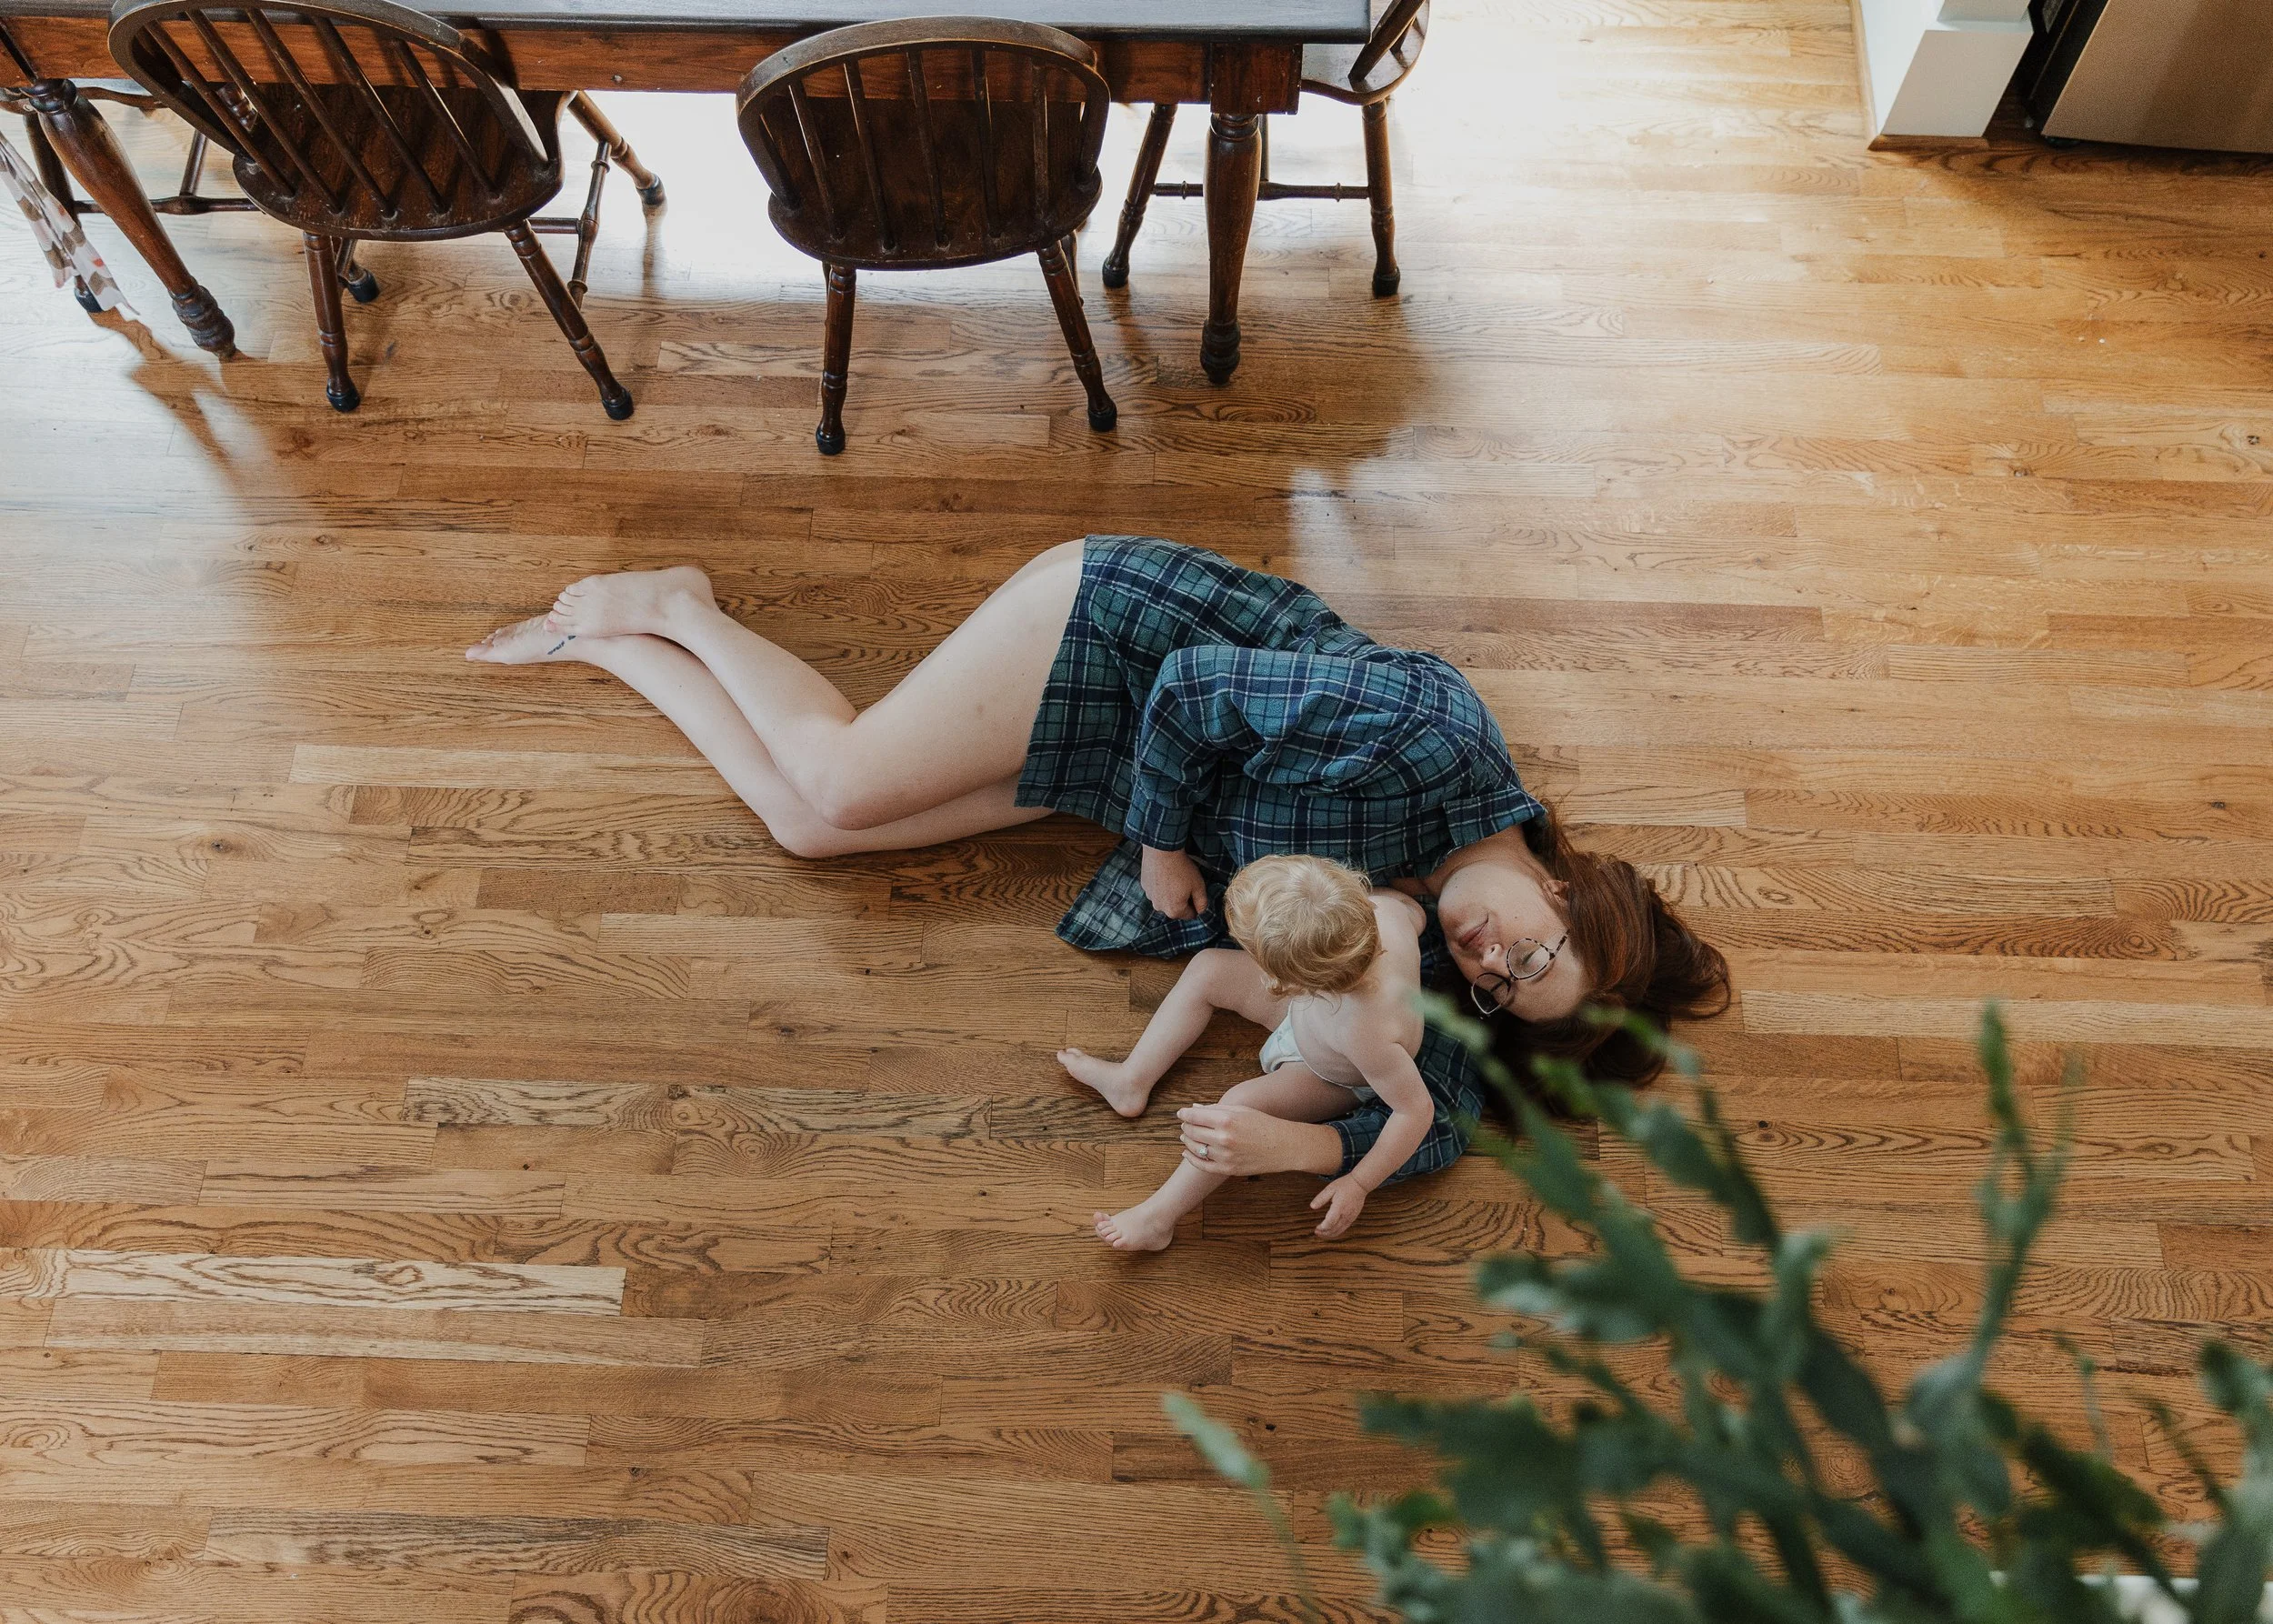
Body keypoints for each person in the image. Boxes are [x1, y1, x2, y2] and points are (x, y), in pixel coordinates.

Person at [467, 536, 1729, 1193]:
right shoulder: (1432, 736)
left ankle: (613, 649)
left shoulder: (1440, 924)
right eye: (1537, 950)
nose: (1492, 964)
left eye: (1508, 994)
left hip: (1129, 770)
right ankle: (682, 605)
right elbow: (1191, 686)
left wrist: (1309, 1154)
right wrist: (1171, 846)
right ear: (1570, 887)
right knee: (843, 779)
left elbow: (1438, 1113)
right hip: (1120, 636)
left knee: (812, 830)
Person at [1068, 856, 1435, 1251]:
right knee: (1208, 966)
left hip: (1327, 1072)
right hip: (1311, 1011)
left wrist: (1360, 1181)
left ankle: (1159, 1217)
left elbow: (1414, 1111)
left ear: (1282, 981)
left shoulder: (1368, 1034)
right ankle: (1131, 1081)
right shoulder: (1387, 911)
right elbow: (1415, 914)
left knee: (1237, 1107)